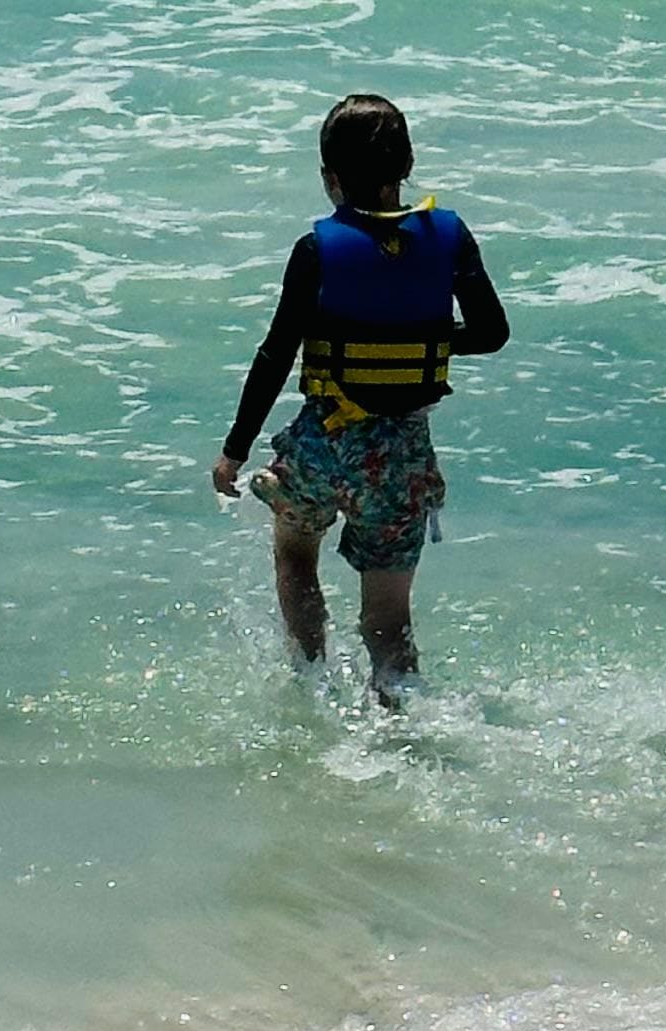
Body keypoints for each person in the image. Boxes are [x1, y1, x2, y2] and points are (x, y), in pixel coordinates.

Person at [212, 94, 509, 703]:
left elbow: (275, 355)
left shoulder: (317, 249)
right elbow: (491, 333)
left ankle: (311, 682)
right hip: (400, 459)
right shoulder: (449, 237)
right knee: (389, 623)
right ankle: (398, 713)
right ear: (406, 166)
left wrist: (234, 451)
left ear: (330, 178)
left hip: (324, 447)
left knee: (295, 554)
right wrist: (420, 342)